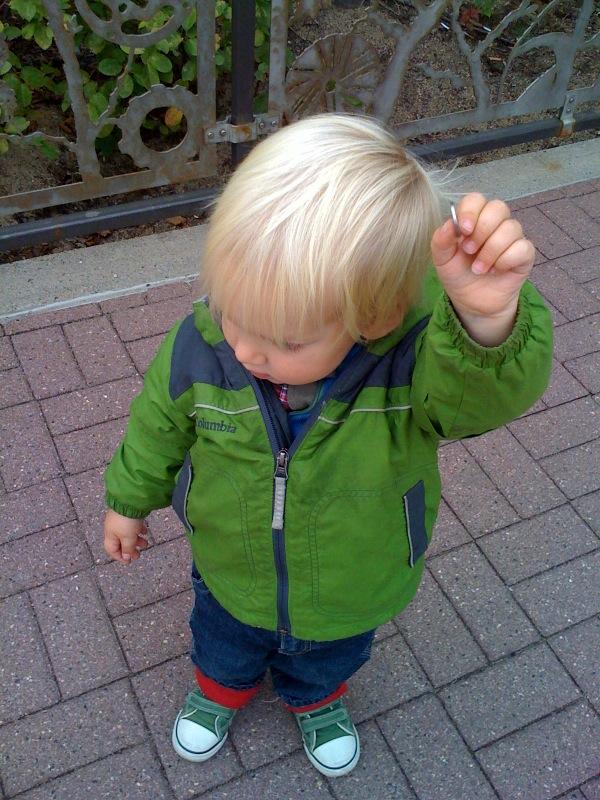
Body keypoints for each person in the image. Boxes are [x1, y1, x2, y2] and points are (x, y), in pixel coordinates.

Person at [103, 114, 552, 778]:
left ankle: (315, 698)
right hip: (230, 565)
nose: (246, 349)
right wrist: (128, 501)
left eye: (284, 340)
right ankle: (220, 690)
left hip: (352, 578)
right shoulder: (204, 344)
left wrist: (484, 324)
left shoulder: (410, 365)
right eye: (232, 311)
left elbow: (474, 404)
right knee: (222, 641)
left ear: (373, 317)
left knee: (329, 655)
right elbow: (156, 425)